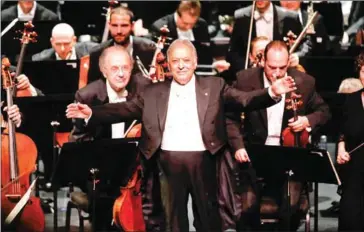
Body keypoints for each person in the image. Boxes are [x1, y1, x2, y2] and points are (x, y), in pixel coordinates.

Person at [66, 39, 296, 232]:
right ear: (168, 65)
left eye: (186, 61)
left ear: (195, 63)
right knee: (172, 223)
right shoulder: (153, 92)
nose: (182, 66)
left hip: (206, 161)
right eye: (176, 61)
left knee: (208, 221)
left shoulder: (215, 85)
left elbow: (244, 100)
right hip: (166, 162)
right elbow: (123, 109)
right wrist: (91, 113)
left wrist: (272, 92)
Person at [222, 40, 331, 231]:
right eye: (272, 67)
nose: (277, 73)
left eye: (282, 67)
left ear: (289, 62)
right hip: (254, 154)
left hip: (288, 154)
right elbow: (230, 116)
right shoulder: (245, 79)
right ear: (263, 60)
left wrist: (307, 120)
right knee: (246, 208)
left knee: (292, 205)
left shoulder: (304, 82)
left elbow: (324, 111)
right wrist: (238, 146)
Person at [149, 0, 230, 72]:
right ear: (178, 14)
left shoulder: (201, 25)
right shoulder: (160, 28)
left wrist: (214, 65)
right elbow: (157, 63)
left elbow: (206, 58)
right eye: (185, 23)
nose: (188, 27)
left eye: (192, 24)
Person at [226, 0, 304, 74]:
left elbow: (305, 43)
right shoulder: (241, 16)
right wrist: (248, 67)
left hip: (281, 72)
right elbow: (233, 50)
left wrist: (298, 56)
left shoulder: (289, 16)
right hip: (251, 74)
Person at [86, 6, 156, 84]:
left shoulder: (149, 49)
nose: (119, 31)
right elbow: (93, 85)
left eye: (124, 26)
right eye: (114, 25)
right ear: (109, 25)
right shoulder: (97, 52)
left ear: (132, 26)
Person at [336, 52, 364, 231]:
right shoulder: (350, 100)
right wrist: (340, 149)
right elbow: (342, 133)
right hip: (354, 169)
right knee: (350, 216)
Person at [32, 23, 98, 61]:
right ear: (52, 42)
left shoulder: (93, 51)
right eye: (58, 44)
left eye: (66, 44)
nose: (62, 49)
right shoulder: (39, 59)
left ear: (74, 40)